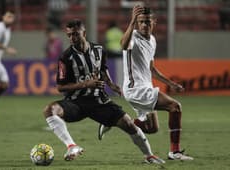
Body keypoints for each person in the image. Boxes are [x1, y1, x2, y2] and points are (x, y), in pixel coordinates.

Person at [43, 19, 165, 164]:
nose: (72, 38)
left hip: (99, 102)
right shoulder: (66, 57)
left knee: (129, 124)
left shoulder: (99, 50)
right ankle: (72, 146)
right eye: (69, 35)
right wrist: (86, 84)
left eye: (75, 34)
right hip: (75, 103)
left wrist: (111, 84)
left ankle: (149, 156)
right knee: (50, 110)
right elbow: (61, 87)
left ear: (84, 33)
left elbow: (102, 69)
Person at [98, 6, 194, 161]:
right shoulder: (133, 38)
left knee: (152, 128)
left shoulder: (153, 40)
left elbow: (152, 69)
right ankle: (174, 152)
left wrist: (171, 83)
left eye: (147, 22)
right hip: (136, 89)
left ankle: (115, 121)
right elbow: (122, 45)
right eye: (141, 22)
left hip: (145, 88)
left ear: (153, 22)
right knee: (175, 107)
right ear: (137, 23)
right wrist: (131, 21)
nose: (144, 25)